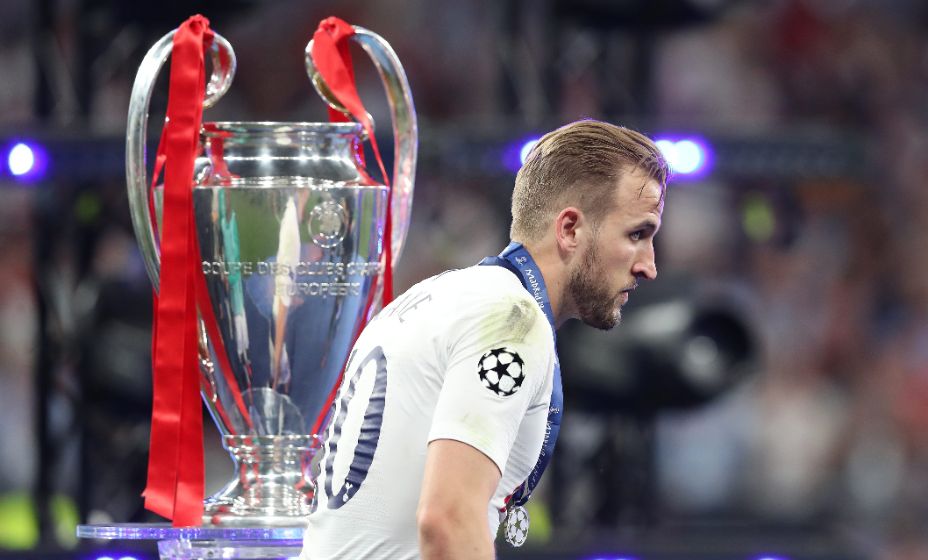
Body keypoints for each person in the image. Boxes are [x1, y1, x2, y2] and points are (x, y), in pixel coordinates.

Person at [300, 119, 669, 560]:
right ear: (570, 229)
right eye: (637, 234)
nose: (649, 266)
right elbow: (449, 521)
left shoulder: (430, 297)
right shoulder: (511, 319)